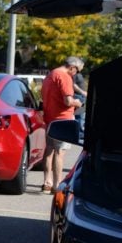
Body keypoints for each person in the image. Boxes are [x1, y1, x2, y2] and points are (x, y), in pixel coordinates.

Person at [40, 56, 85, 193]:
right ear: (72, 67)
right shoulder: (65, 77)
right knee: (60, 152)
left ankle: (47, 182)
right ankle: (57, 185)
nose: (76, 74)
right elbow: (67, 101)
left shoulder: (51, 75)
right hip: (63, 119)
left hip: (50, 118)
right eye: (77, 71)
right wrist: (78, 103)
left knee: (49, 151)